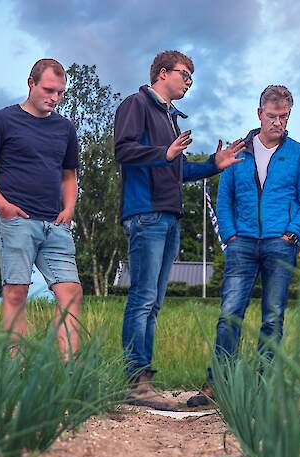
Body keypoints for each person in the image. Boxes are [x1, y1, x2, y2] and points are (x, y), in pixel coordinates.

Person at [115, 50, 244, 410]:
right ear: (162, 73)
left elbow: (178, 169)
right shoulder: (136, 105)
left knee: (153, 302)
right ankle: (133, 381)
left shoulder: (169, 117)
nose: (189, 82)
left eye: (191, 77)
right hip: (145, 213)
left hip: (169, 215)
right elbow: (123, 150)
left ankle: (143, 379)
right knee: (142, 298)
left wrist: (213, 166)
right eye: (184, 74)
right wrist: (163, 153)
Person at [187, 85, 300, 408]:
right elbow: (225, 198)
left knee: (273, 317)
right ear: (259, 113)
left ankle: (262, 386)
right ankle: (217, 384)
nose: (278, 122)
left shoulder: (299, 155)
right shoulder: (239, 153)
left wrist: (293, 232)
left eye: (284, 117)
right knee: (230, 313)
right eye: (272, 116)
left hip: (280, 242)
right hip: (242, 244)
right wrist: (230, 236)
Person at [0, 58, 82, 361]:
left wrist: (70, 207)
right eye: (49, 90)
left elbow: (69, 174)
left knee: (71, 292)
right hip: (16, 221)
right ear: (31, 83)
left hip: (56, 225)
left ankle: (68, 374)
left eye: (60, 93)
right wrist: (2, 206)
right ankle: (15, 375)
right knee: (16, 293)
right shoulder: (3, 120)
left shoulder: (64, 128)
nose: (55, 98)